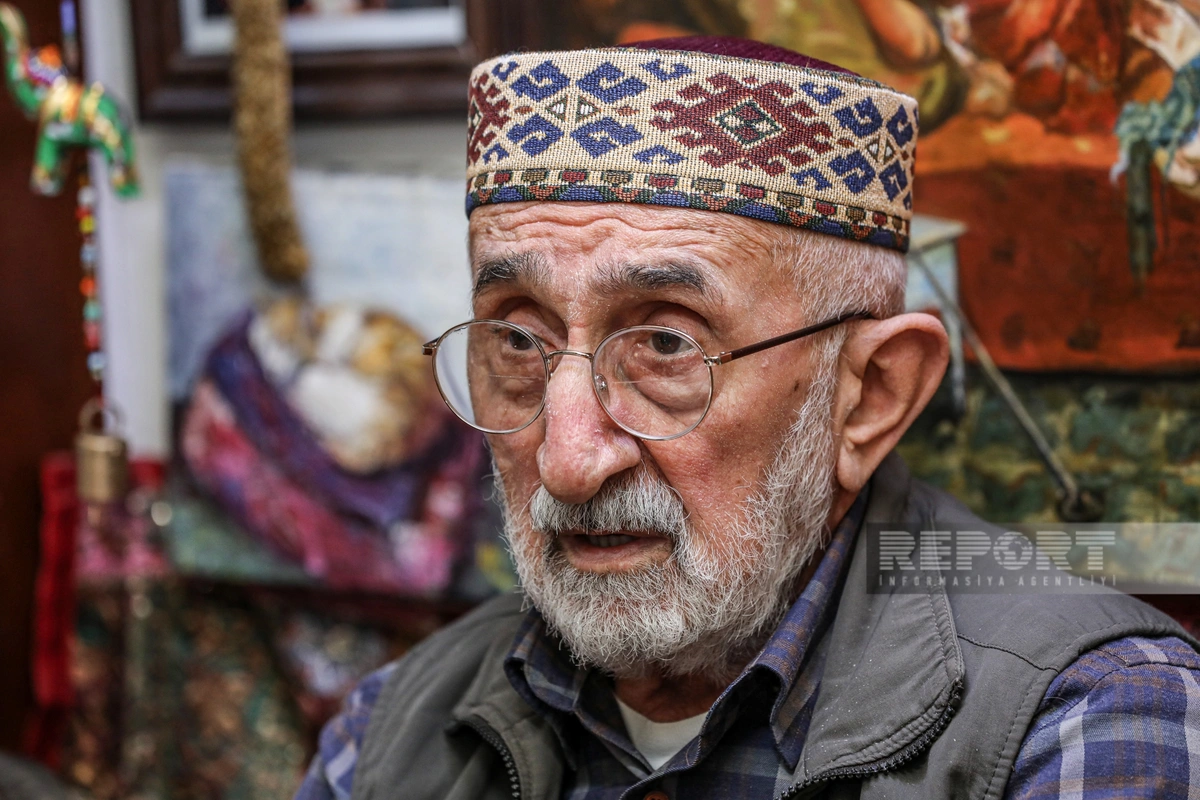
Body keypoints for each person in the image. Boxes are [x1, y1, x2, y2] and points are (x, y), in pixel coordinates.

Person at [296, 36, 1200, 799]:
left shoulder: (1091, 718)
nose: (568, 460)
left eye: (665, 345)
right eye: (518, 343)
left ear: (870, 396)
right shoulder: (389, 735)